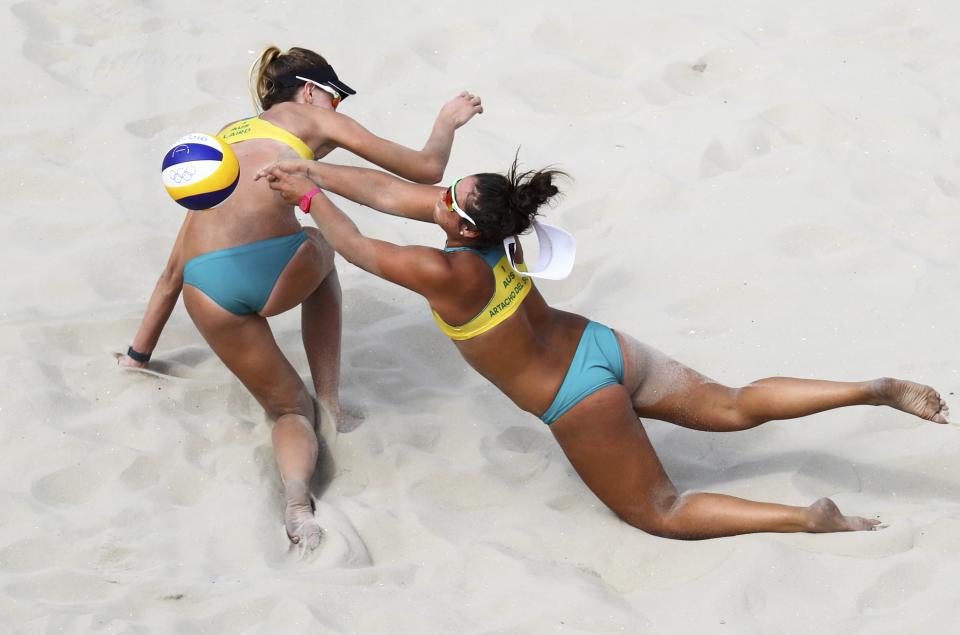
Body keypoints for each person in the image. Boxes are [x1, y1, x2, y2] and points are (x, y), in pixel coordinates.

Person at [255, 156, 951, 539]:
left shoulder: (445, 271)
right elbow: (390, 190)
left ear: (457, 221)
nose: (436, 198)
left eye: (446, 198)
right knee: (737, 404)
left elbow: (355, 244)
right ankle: (870, 387)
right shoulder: (502, 236)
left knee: (661, 510)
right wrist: (308, 170)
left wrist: (309, 199)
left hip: (578, 398)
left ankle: (806, 517)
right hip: (601, 345)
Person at [121, 46, 483, 549]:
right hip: (272, 270)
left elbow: (171, 272)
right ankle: (332, 401)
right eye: (335, 97)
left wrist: (139, 356)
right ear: (312, 90)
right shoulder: (312, 115)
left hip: (204, 291)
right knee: (321, 242)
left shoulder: (225, 138)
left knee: (289, 411)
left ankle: (297, 504)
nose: (335, 109)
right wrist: (448, 121)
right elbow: (424, 168)